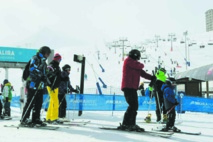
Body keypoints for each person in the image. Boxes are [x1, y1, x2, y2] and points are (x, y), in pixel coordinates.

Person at [118, 49, 156, 132]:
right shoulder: (128, 61)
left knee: (134, 106)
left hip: (133, 87)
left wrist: (151, 77)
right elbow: (139, 66)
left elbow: (143, 73)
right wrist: (142, 64)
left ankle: (130, 123)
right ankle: (127, 123)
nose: (138, 59)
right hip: (128, 86)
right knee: (132, 105)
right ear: (135, 55)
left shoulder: (134, 64)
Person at [21, 46, 51, 126]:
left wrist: (45, 78)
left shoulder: (44, 61)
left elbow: (44, 72)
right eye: (47, 54)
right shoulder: (35, 58)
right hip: (32, 83)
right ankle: (24, 119)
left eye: (48, 54)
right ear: (43, 52)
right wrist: (40, 76)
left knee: (39, 102)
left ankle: (36, 118)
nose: (47, 56)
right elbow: (32, 69)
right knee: (30, 101)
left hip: (40, 85)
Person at [45, 53, 62, 124]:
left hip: (55, 86)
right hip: (52, 86)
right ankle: (54, 118)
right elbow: (48, 75)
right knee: (55, 102)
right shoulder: (52, 65)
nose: (60, 61)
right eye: (60, 59)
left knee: (52, 101)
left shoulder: (56, 65)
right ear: (57, 59)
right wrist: (51, 84)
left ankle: (49, 117)